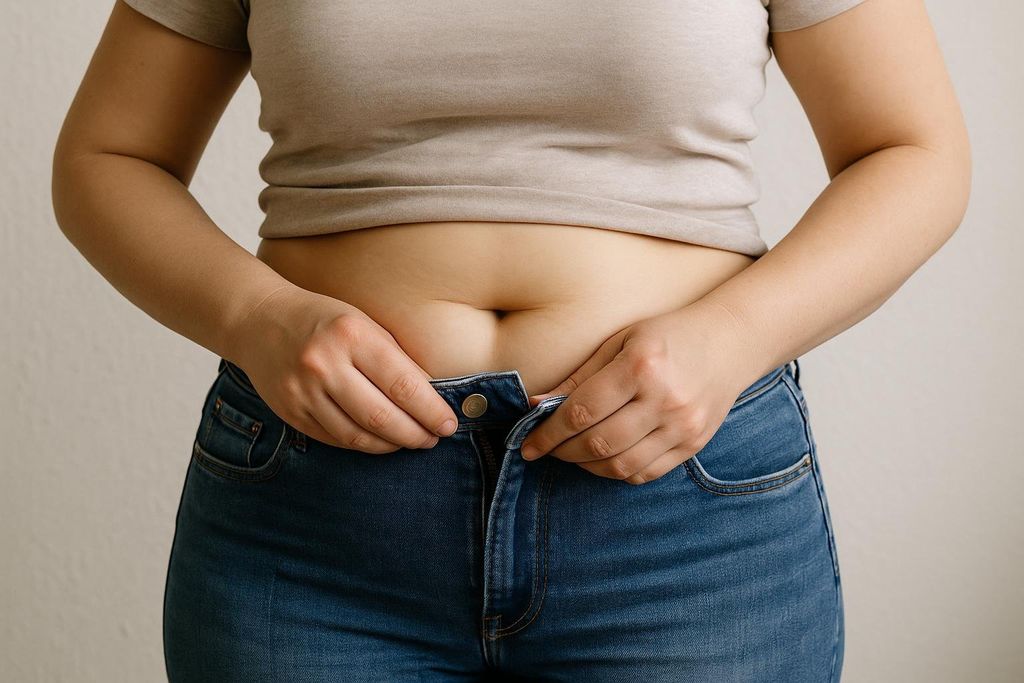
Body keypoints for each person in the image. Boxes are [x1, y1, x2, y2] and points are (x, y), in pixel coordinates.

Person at [51, 0, 971, 680]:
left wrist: (734, 335)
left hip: (679, 526)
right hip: (317, 528)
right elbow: (109, 156)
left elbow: (911, 149)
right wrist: (254, 317)